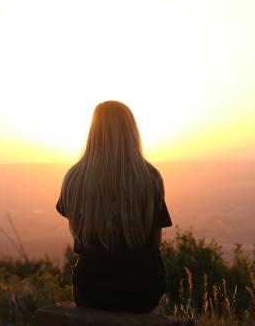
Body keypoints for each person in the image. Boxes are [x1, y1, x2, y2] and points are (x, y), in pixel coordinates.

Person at [56, 100, 173, 313]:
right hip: (142, 291)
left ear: (93, 132)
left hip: (90, 292)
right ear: (131, 132)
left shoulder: (74, 178)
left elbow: (78, 231)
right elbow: (155, 242)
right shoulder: (150, 178)